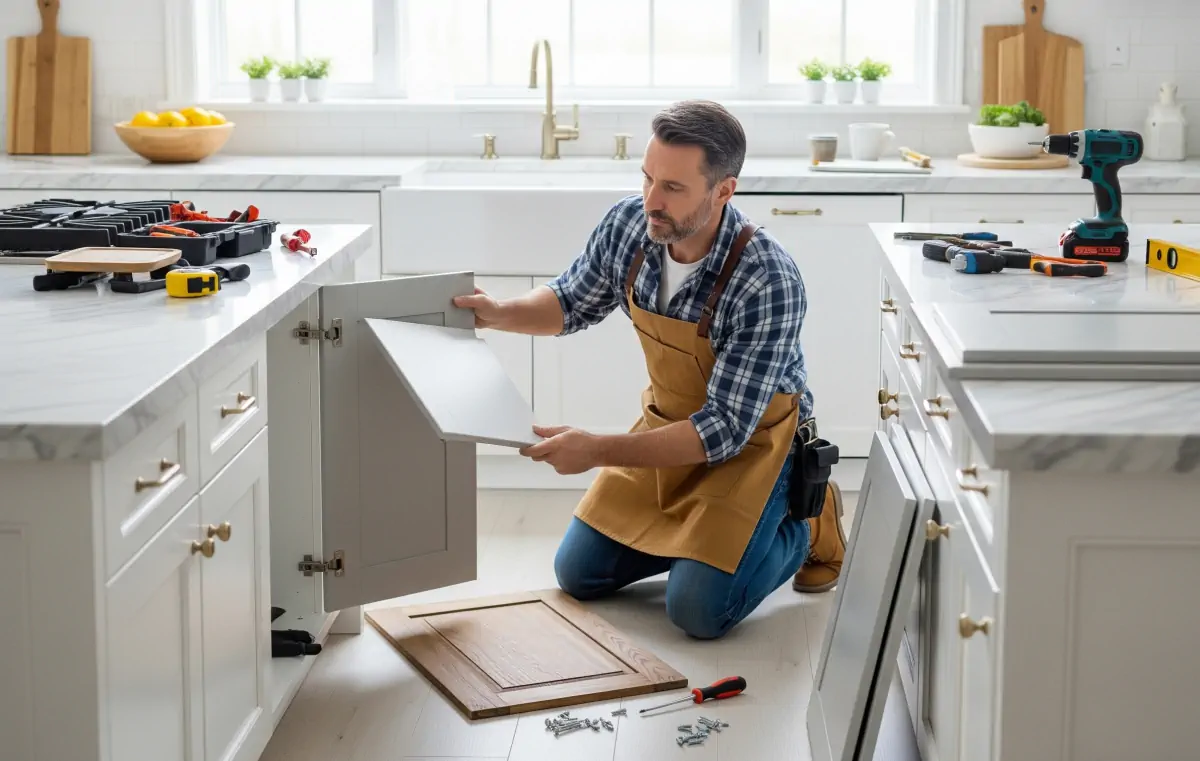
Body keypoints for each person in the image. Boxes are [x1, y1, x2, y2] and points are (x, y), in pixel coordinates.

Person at [452, 99, 846, 640]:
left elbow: (724, 431)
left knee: (698, 612)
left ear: (723, 191)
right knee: (578, 574)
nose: (651, 202)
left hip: (754, 445)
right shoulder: (629, 227)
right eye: (647, 178)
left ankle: (807, 519)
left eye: (674, 189)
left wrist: (596, 450)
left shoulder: (766, 278)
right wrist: (498, 313)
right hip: (668, 427)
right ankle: (705, 549)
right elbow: (571, 301)